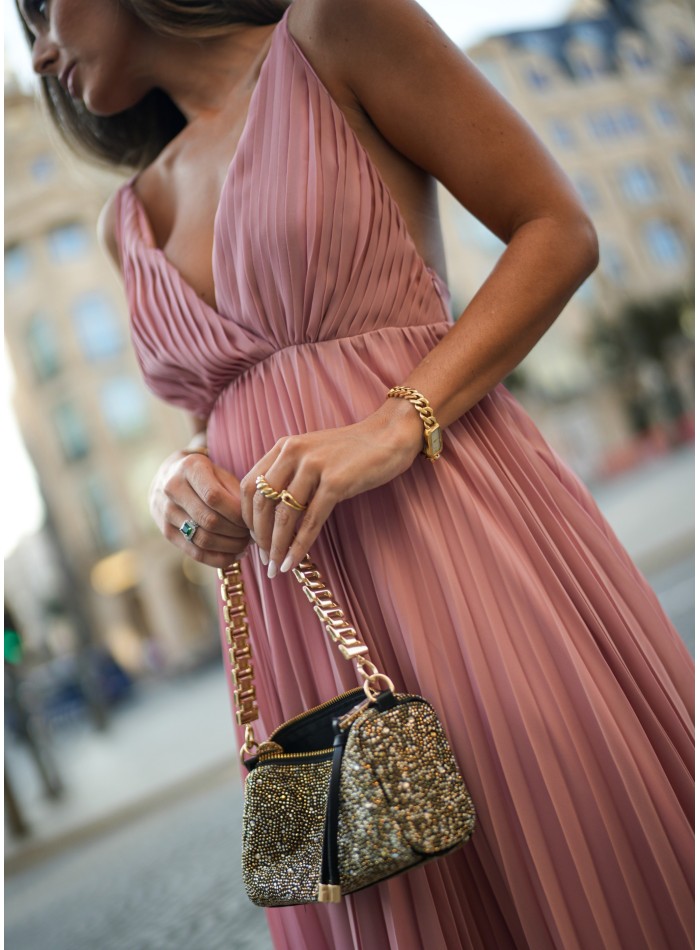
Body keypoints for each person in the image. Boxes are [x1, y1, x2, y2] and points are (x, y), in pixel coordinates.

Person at [23, 0, 693, 946]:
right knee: (394, 899)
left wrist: (393, 423)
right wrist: (174, 481)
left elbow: (555, 227)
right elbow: (207, 422)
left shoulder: (339, 28)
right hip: (293, 608)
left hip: (447, 529)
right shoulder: (123, 221)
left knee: (564, 843)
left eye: (40, 9)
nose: (41, 50)